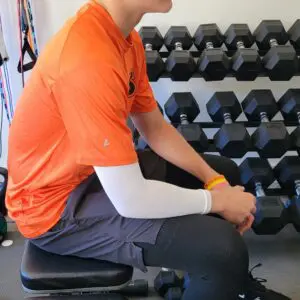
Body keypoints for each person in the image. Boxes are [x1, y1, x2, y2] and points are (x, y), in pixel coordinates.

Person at [6, 1, 290, 299]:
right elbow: (131, 199)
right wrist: (216, 202)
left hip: (88, 175)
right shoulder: (87, 59)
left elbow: (154, 129)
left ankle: (226, 285)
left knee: (225, 172)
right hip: (52, 211)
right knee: (222, 250)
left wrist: (215, 182)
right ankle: (221, 271)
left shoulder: (125, 39)